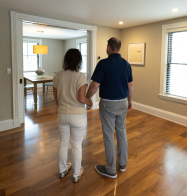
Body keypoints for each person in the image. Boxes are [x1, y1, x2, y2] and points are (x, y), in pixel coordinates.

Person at [86, 37, 133, 178]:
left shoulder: (103, 63)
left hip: (108, 104)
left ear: (108, 47)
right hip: (123, 102)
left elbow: (95, 85)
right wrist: (130, 101)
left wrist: (87, 98)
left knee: (108, 135)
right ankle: (122, 165)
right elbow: (130, 85)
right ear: (119, 47)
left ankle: (111, 169)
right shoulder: (126, 64)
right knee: (121, 132)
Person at [53, 48, 92, 183]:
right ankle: (76, 173)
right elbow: (82, 99)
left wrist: (64, 106)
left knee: (63, 142)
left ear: (66, 60)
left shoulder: (58, 75)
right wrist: (90, 102)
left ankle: (62, 169)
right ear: (79, 61)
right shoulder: (81, 76)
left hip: (62, 114)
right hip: (78, 116)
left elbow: (56, 99)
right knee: (76, 145)